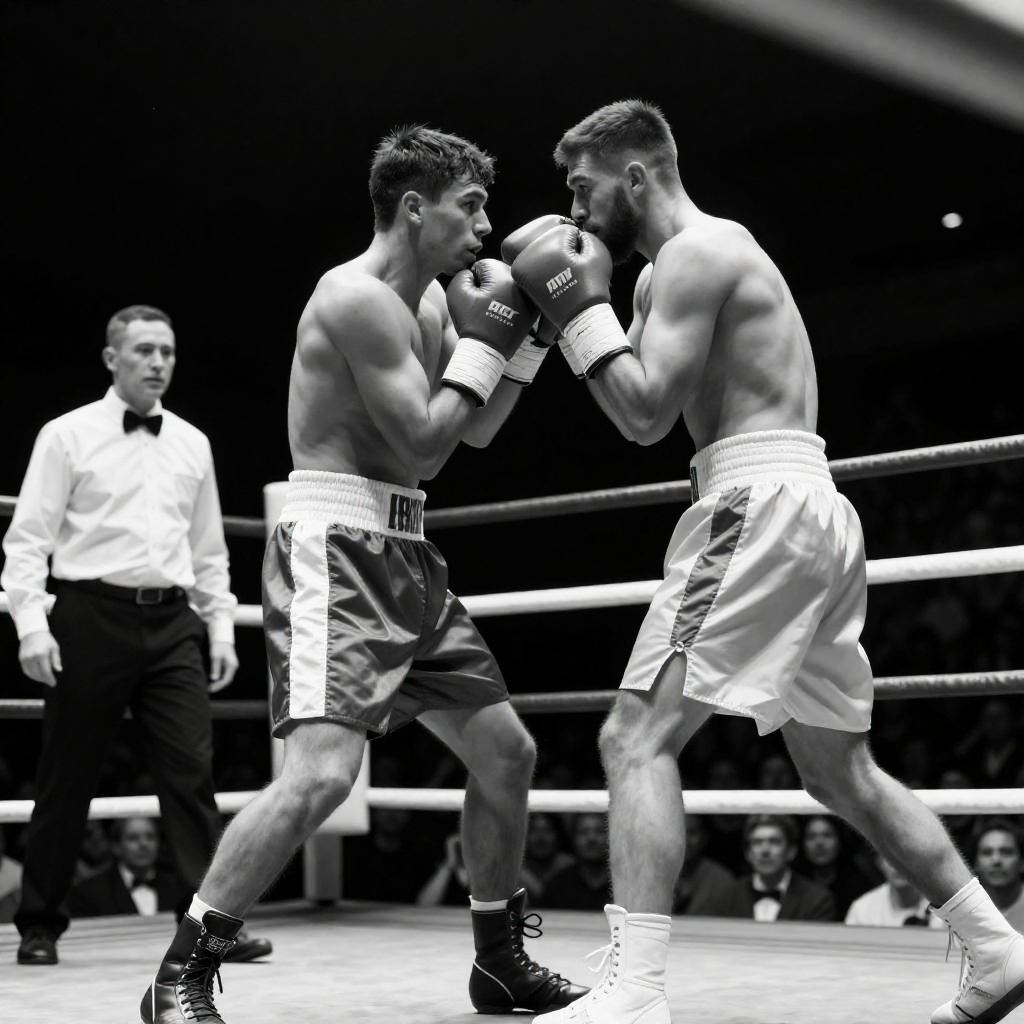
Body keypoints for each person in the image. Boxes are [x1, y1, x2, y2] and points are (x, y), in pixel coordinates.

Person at [508, 99, 1024, 1024]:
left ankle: (636, 990)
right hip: (804, 507)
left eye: (583, 188)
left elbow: (645, 411)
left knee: (634, 739)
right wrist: (560, 319)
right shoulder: (661, 277)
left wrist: (571, 306)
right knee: (839, 771)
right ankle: (997, 947)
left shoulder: (699, 253)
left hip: (757, 501)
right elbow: (636, 414)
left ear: (636, 176)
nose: (574, 212)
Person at [140, 126, 587, 1023]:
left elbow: (474, 429)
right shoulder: (353, 298)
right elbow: (425, 436)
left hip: (408, 551)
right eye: (470, 207)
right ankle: (178, 975)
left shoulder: (432, 307)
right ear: (414, 207)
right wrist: (493, 338)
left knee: (506, 753)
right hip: (336, 550)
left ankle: (499, 962)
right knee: (320, 776)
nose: (486, 228)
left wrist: (531, 339)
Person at [1, 305, 269, 967]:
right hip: (88, 615)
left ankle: (208, 926)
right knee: (67, 776)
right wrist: (30, 626)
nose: (158, 362)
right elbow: (28, 539)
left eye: (167, 351)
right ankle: (38, 924)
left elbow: (208, 549)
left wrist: (221, 629)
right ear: (111, 358)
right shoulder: (66, 435)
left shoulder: (192, 442)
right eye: (144, 350)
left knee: (191, 775)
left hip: (173, 621)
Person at [712, 814, 835, 922]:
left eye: (774, 841)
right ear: (748, 853)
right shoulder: (727, 896)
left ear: (791, 851)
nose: (765, 851)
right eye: (757, 842)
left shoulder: (817, 899)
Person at [67, 817, 178, 918]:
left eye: (150, 837)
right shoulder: (90, 892)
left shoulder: (178, 887)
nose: (144, 844)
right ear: (116, 847)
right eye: (133, 838)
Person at [796, 814, 874, 920]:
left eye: (827, 835)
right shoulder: (792, 885)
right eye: (811, 836)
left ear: (840, 842)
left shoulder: (859, 887)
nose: (819, 843)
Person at [845, 852, 945, 929]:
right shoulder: (862, 909)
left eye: (906, 858)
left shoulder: (944, 909)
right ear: (879, 862)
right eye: (890, 858)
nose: (898, 867)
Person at [543, 813, 612, 911]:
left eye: (599, 831)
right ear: (573, 840)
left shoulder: (623, 884)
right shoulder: (558, 886)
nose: (591, 838)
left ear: (610, 838)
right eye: (583, 832)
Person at [973, 819, 1024, 932]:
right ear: (976, 863)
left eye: (1006, 852)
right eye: (987, 852)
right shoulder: (960, 911)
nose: (996, 860)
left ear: (1022, 862)